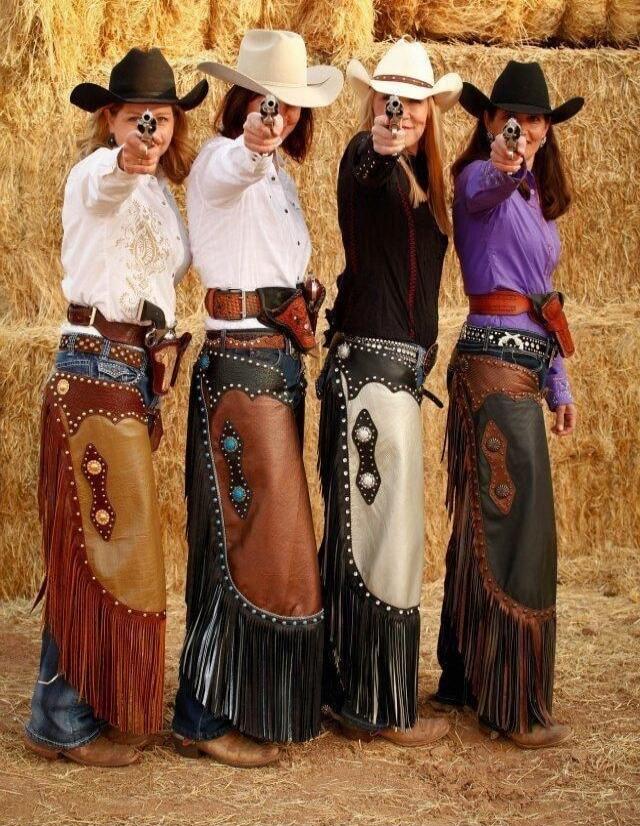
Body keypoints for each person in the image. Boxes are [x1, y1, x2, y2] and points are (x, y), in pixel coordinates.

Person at [23, 48, 207, 767]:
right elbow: (107, 185)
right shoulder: (95, 174)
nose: (152, 131)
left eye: (161, 120)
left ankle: (83, 707)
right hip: (95, 366)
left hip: (129, 373)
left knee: (112, 548)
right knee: (92, 547)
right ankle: (59, 721)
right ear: (111, 118)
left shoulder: (163, 190)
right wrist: (125, 159)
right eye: (138, 119)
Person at [171, 30, 343, 768]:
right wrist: (252, 142)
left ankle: (238, 703)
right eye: (268, 104)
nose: (280, 119)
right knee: (240, 544)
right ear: (243, 103)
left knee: (261, 545)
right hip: (242, 368)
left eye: (292, 108)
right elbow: (235, 165)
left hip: (271, 365)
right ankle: (203, 717)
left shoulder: (278, 178)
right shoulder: (224, 159)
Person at [433, 60, 583, 749]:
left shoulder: (535, 204)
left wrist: (561, 384)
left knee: (488, 525)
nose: (522, 129)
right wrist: (505, 163)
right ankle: (509, 702)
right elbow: (486, 187)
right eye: (507, 118)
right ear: (489, 121)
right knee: (516, 531)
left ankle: (466, 678)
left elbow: (543, 300)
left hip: (522, 367)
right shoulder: (478, 181)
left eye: (534, 120)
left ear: (550, 128)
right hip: (491, 370)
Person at [317, 38, 461, 745]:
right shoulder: (361, 158)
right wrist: (381, 143)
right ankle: (372, 704)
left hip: (399, 378)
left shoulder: (435, 184)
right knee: (380, 541)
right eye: (385, 99)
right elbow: (369, 168)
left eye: (411, 103)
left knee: (392, 537)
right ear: (372, 103)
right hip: (370, 376)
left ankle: (367, 690)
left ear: (433, 110)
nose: (398, 112)